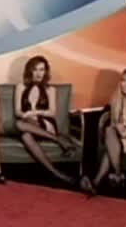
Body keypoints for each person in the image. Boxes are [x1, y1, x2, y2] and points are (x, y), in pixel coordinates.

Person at [14, 55, 94, 194]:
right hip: (29, 123)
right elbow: (18, 111)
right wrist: (27, 115)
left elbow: (52, 112)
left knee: (20, 125)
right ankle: (58, 173)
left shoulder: (50, 89)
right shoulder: (20, 87)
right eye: (35, 69)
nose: (39, 73)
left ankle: (56, 138)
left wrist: (35, 112)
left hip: (46, 124)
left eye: (42, 69)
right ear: (29, 71)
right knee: (24, 133)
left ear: (46, 71)